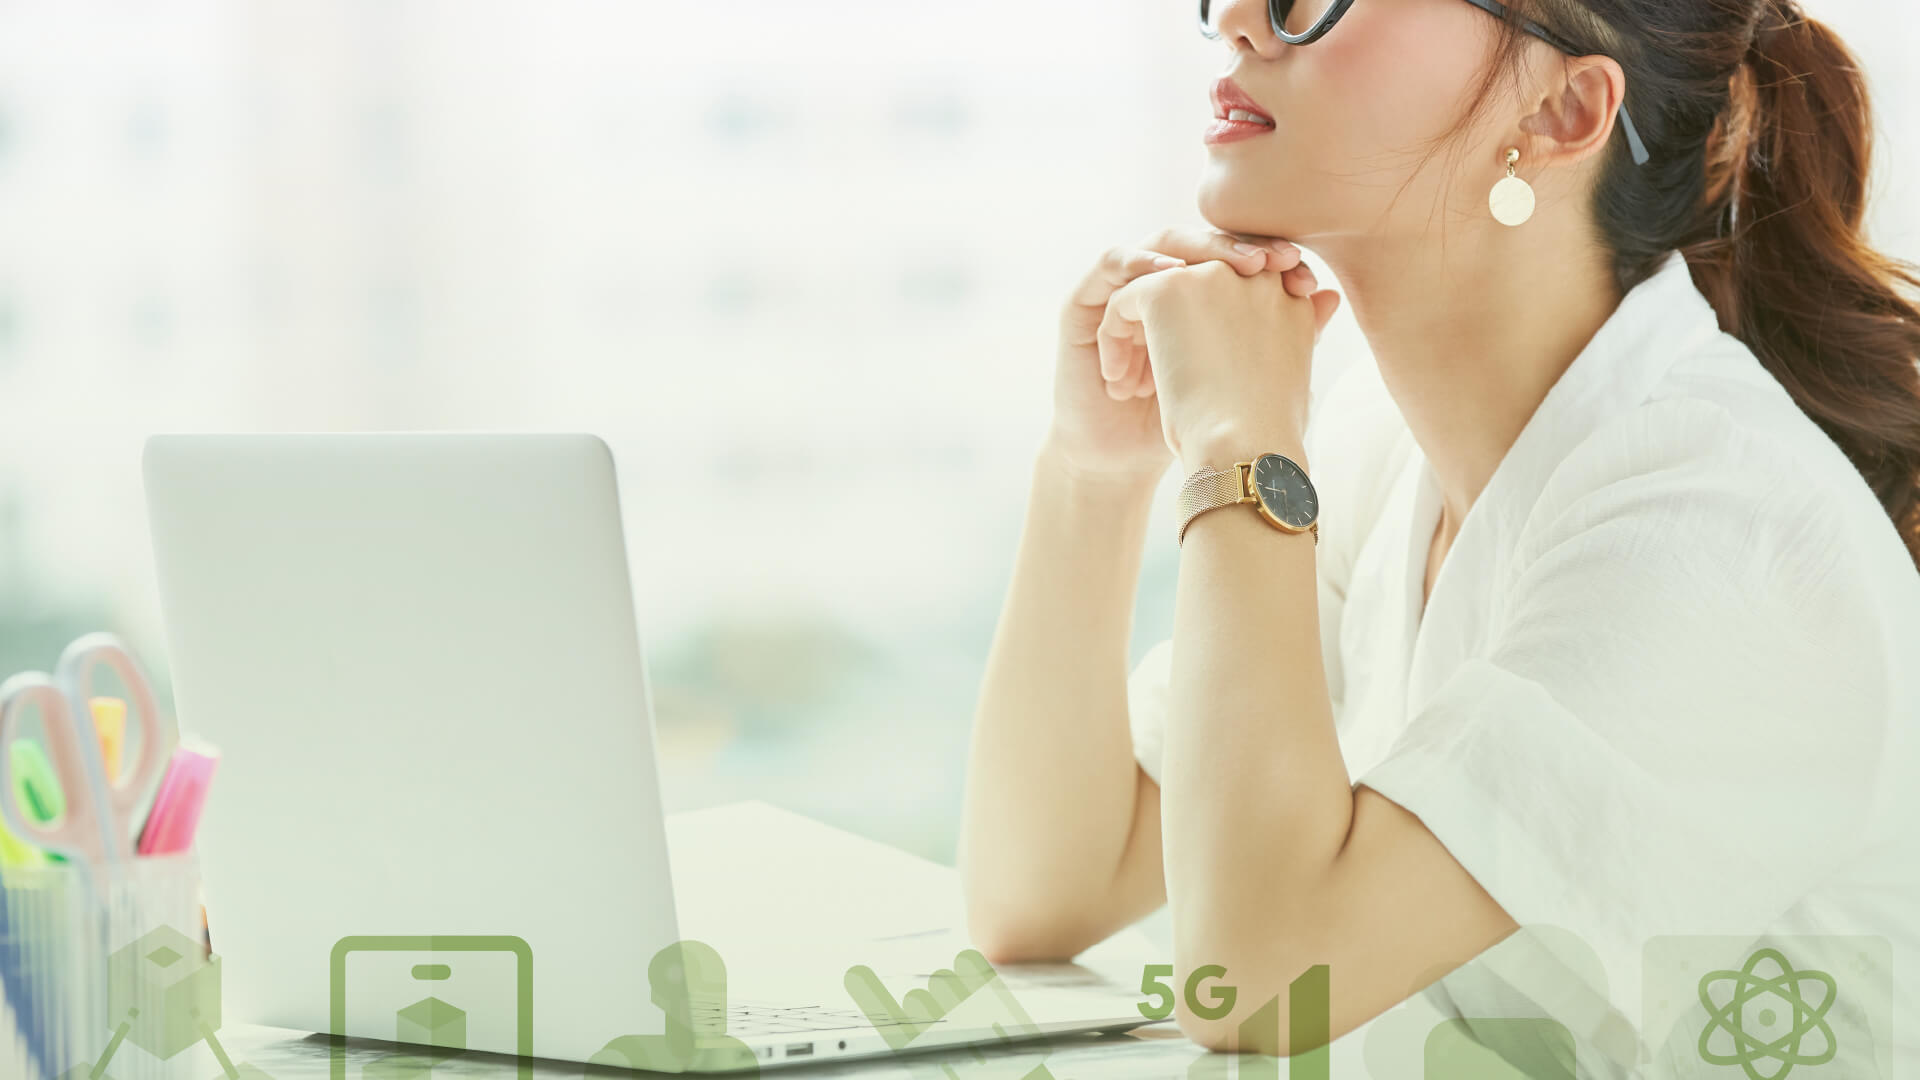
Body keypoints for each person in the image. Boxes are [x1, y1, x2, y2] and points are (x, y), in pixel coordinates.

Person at [957, 0, 1920, 1074]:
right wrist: (1094, 468)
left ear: (1561, 111)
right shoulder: (1386, 445)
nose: (1235, 20)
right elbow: (1043, 889)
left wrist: (1238, 445)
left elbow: (1260, 986)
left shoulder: (1719, 531)